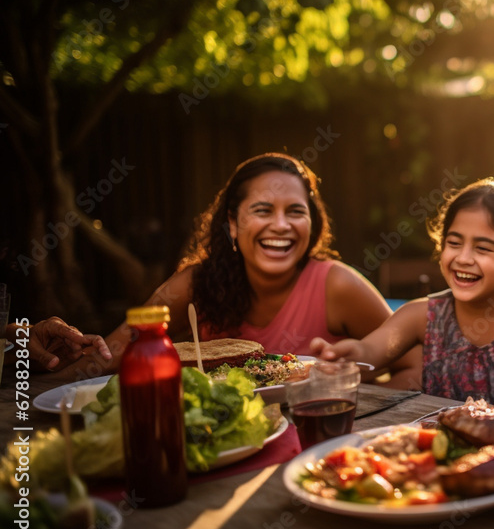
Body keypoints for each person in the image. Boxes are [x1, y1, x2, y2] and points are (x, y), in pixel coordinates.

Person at [36, 153, 421, 387]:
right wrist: (27, 375)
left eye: (296, 212)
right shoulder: (194, 284)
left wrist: (354, 398)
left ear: (312, 226)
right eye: (263, 210)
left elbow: (415, 367)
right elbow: (110, 355)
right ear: (233, 225)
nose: (281, 226)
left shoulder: (337, 286)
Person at [312, 177, 494, 414]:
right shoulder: (420, 315)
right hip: (444, 458)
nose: (463, 258)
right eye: (454, 243)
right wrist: (350, 355)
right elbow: (371, 352)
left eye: (483, 248)